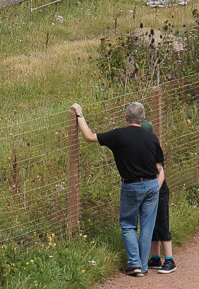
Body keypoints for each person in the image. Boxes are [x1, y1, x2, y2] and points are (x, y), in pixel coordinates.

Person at [71, 101, 164, 276]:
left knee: (128, 224)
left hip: (131, 185)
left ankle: (135, 263)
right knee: (147, 226)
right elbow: (159, 166)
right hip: (152, 183)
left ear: (126, 117)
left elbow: (89, 136)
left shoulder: (119, 135)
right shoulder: (152, 137)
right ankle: (143, 266)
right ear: (143, 118)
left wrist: (80, 114)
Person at [142, 122, 177, 275]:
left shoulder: (153, 149)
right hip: (150, 192)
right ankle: (155, 258)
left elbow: (160, 172)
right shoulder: (143, 150)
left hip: (159, 192)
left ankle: (169, 259)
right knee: (152, 225)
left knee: (162, 224)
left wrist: (154, 191)